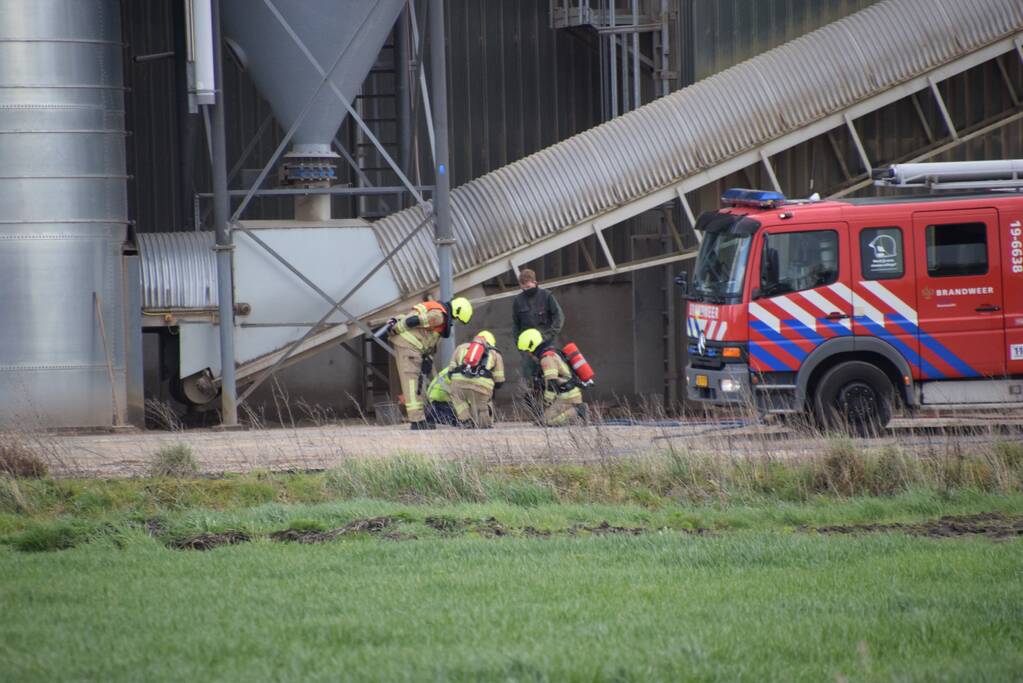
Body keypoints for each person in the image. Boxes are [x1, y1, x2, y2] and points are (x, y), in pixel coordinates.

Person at [385, 296, 473, 430]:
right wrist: (396, 327)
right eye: (456, 319)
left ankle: (422, 418)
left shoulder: (438, 313)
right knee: (412, 383)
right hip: (409, 347)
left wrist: (427, 358)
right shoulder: (439, 316)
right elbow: (413, 320)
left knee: (418, 383)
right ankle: (416, 421)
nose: (454, 322)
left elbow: (421, 328)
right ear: (457, 311)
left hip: (415, 349)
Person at [511, 269, 564, 410]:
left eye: (528, 286)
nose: (525, 289)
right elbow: (516, 325)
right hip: (529, 349)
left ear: (535, 282)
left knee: (550, 376)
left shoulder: (547, 296)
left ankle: (553, 408)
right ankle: (536, 411)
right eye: (522, 287)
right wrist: (520, 346)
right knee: (530, 380)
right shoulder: (518, 301)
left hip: (547, 344)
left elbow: (559, 318)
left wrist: (547, 336)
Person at [516, 328, 586, 427]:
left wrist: (546, 403)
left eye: (527, 350)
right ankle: (570, 412)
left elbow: (551, 384)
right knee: (541, 421)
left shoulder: (547, 359)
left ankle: (577, 411)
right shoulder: (549, 353)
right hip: (564, 395)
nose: (528, 354)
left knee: (546, 423)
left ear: (532, 346)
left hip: (567, 397)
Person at [448, 330, 505, 428]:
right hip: (482, 384)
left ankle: (466, 420)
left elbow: (450, 372)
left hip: (459, 382)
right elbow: (499, 380)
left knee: (458, 398)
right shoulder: (495, 353)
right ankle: (485, 425)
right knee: (483, 405)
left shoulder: (461, 348)